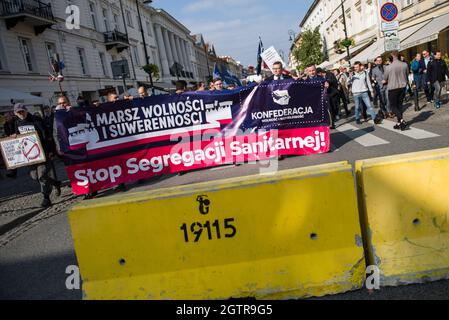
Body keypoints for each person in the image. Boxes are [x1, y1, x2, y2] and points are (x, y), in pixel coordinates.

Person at [14, 103, 62, 207]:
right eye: (19, 112)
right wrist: (14, 136)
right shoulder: (17, 122)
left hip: (42, 153)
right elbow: (17, 138)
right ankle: (55, 183)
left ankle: (46, 198)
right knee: (35, 176)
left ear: (26, 110)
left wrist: (51, 151)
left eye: (22, 111)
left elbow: (47, 135)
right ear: (16, 113)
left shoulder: (36, 120)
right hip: (30, 157)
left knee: (42, 175)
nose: (21, 114)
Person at [382, 51, 409, 131]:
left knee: (393, 106)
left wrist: (383, 82)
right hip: (403, 87)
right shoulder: (404, 65)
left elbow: (384, 79)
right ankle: (399, 123)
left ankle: (401, 120)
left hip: (393, 88)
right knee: (399, 105)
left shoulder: (388, 67)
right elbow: (407, 74)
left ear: (392, 56)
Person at [3, 112, 18, 178]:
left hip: (18, 139)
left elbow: (18, 130)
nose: (6, 118)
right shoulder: (5, 124)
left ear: (10, 116)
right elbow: (7, 133)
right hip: (12, 141)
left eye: (7, 117)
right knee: (13, 157)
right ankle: (13, 173)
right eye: (5, 117)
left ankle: (31, 169)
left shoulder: (16, 121)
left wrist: (16, 135)